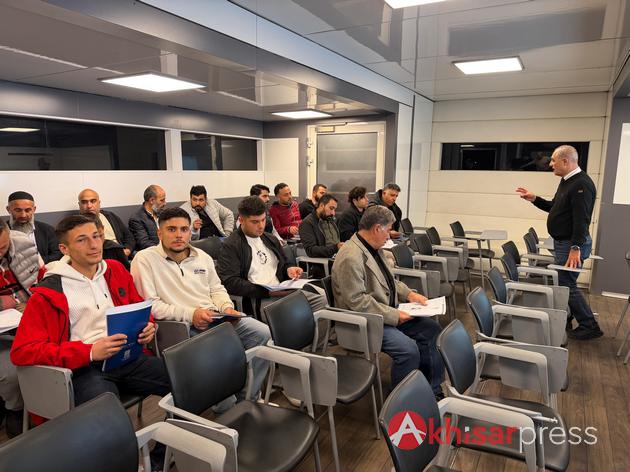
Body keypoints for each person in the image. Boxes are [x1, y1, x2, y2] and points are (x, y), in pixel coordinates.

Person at [10, 215, 169, 407]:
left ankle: (178, 426)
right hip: (82, 368)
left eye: (96, 236)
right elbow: (22, 352)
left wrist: (148, 325)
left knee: (185, 376)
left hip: (125, 356)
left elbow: (139, 306)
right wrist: (90, 351)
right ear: (64, 249)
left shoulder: (115, 270)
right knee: (105, 411)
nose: (94, 245)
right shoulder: (48, 292)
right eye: (81, 240)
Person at [130, 207, 270, 409]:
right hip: (180, 328)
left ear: (190, 232)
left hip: (215, 316)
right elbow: (150, 306)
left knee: (263, 334)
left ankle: (247, 398)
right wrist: (191, 314)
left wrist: (226, 307)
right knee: (221, 349)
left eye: (184, 229)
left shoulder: (202, 256)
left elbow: (217, 288)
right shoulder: (144, 259)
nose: (179, 235)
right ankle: (225, 408)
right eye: (171, 229)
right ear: (159, 233)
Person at [331, 206, 444, 397]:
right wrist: (394, 314)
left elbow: (389, 280)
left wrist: (409, 294)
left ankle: (431, 389)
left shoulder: (373, 248)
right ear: (377, 228)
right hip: (366, 322)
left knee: (431, 330)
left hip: (385, 311)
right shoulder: (350, 257)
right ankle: (399, 400)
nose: (390, 235)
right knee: (408, 351)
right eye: (388, 230)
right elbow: (357, 302)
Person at [517, 144, 602, 340]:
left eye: (554, 161)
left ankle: (589, 325)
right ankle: (569, 318)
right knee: (564, 284)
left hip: (571, 244)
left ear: (565, 161)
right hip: (564, 243)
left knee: (566, 285)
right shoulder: (567, 181)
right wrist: (534, 199)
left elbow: (582, 220)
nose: (550, 164)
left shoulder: (581, 184)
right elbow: (553, 206)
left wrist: (575, 247)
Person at [218, 197, 303, 316]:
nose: (261, 226)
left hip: (281, 290)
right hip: (258, 298)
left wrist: (289, 269)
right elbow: (230, 282)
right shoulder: (231, 245)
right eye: (255, 222)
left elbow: (284, 264)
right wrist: (266, 292)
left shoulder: (270, 239)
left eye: (263, 220)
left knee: (321, 297)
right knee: (296, 315)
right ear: (241, 220)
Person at [0, 221, 45, 437]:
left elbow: (44, 280)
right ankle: (15, 410)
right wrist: (4, 303)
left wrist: (34, 302)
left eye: (2, 247)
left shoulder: (24, 245)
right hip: (4, 332)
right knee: (11, 373)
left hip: (30, 317)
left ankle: (48, 407)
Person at [6, 191, 62, 263]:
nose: (23, 215)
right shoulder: (2, 231)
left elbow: (58, 254)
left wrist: (35, 262)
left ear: (34, 209)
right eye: (18, 210)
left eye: (28, 210)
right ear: (8, 209)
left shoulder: (47, 229)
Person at [78, 189, 135, 257]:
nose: (89, 206)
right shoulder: (75, 225)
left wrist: (127, 250)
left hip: (122, 254)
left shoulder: (110, 216)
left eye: (93, 201)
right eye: (84, 202)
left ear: (99, 203)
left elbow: (129, 236)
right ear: (79, 205)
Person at [298, 194, 342, 278]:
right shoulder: (307, 223)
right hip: (322, 264)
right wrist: (335, 248)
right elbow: (311, 251)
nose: (333, 213)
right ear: (322, 205)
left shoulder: (329, 220)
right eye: (331, 208)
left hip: (336, 257)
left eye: (334, 209)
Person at [129, 185, 166, 250]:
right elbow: (144, 243)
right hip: (154, 252)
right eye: (162, 200)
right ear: (152, 200)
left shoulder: (163, 214)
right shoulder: (136, 219)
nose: (165, 203)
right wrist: (164, 249)